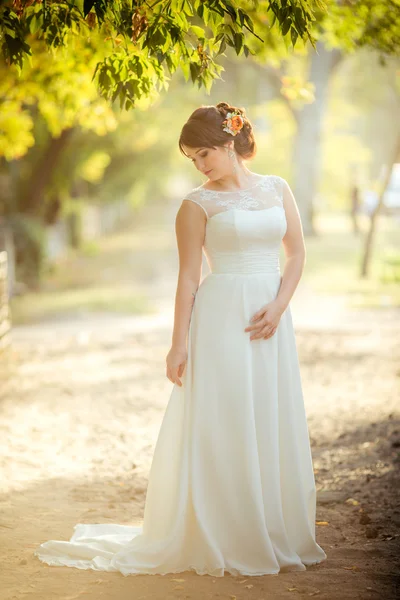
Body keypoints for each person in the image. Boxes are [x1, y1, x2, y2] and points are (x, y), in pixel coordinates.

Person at [34, 102, 327, 577]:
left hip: (271, 319)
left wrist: (279, 305)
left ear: (230, 144)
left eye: (204, 153)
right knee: (226, 419)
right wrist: (178, 344)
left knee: (267, 413)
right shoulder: (196, 204)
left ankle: (270, 527)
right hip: (220, 318)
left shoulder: (278, 189)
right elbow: (189, 277)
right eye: (192, 158)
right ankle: (224, 529)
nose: (200, 165)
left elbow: (296, 254)